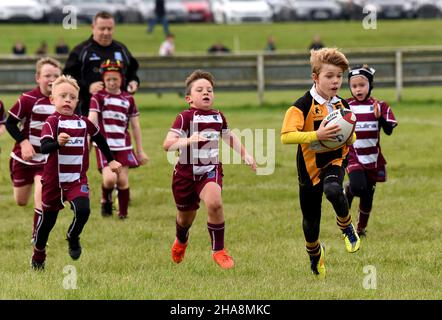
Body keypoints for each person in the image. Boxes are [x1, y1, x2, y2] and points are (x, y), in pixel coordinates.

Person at [163, 70, 256, 269]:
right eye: (200, 90)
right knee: (185, 218)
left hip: (210, 170)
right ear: (189, 98)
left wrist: (245, 154)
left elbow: (229, 137)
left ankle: (219, 250)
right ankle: (181, 239)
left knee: (214, 203)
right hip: (185, 175)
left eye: (210, 90)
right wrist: (188, 140)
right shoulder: (184, 117)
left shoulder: (218, 116)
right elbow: (167, 144)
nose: (206, 93)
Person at [280, 48, 361, 279]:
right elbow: (286, 136)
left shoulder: (342, 104)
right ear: (315, 77)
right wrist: (318, 135)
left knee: (333, 189)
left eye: (339, 76)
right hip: (308, 167)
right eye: (329, 76)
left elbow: (351, 136)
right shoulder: (302, 105)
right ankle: (315, 255)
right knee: (310, 222)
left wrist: (348, 135)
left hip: (335, 159)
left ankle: (346, 227)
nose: (336, 81)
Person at [30, 75, 122, 270]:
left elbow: (100, 138)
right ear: (52, 100)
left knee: (83, 210)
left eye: (72, 97)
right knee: (47, 223)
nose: (67, 100)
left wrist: (111, 159)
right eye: (62, 96)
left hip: (76, 179)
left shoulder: (83, 122)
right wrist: (58, 143)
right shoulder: (51, 122)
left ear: (77, 101)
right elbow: (44, 147)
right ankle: (38, 253)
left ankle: (73, 236)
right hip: (53, 182)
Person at [5, 57, 62, 245]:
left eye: (56, 75)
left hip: (46, 160)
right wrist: (23, 142)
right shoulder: (28, 99)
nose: (51, 79)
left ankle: (37, 237)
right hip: (23, 159)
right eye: (47, 75)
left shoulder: (62, 101)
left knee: (41, 196)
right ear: (38, 77)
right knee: (21, 201)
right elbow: (10, 123)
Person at [88, 60, 149, 219]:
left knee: (122, 180)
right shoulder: (98, 97)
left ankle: (123, 214)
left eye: (115, 79)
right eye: (108, 79)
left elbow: (135, 125)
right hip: (104, 146)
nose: (112, 82)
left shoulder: (128, 99)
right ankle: (105, 200)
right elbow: (92, 119)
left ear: (121, 79)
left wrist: (140, 150)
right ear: (103, 80)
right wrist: (86, 137)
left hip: (123, 146)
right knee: (109, 179)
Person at [345, 65, 398, 237]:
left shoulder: (379, 105)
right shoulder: (345, 106)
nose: (358, 89)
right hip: (353, 155)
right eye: (354, 86)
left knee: (367, 196)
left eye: (362, 85)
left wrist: (380, 118)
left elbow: (389, 130)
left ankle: (360, 229)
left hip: (373, 158)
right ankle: (350, 189)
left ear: (370, 85)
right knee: (359, 187)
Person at [64, 11, 140, 116]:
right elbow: (67, 77)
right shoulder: (81, 51)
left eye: (109, 29)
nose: (106, 32)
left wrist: (134, 82)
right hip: (87, 110)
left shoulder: (121, 49)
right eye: (102, 28)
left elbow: (132, 72)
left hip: (117, 113)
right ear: (93, 27)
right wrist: (87, 87)